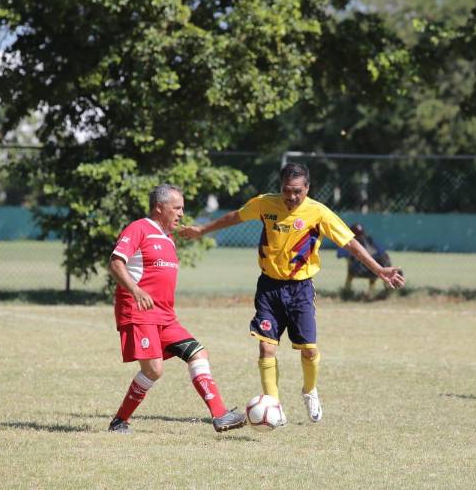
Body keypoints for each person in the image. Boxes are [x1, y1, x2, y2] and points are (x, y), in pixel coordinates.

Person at [180, 163, 405, 424]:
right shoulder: (264, 204)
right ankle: (274, 405)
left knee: (309, 350)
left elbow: (350, 243)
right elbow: (235, 216)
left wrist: (379, 269)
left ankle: (310, 391)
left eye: (298, 191)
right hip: (269, 287)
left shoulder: (319, 213)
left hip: (301, 289)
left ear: (307, 188)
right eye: (287, 190)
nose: (292, 196)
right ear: (280, 187)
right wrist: (202, 230)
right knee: (266, 347)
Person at [107, 184, 246, 434]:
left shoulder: (168, 239)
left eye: (182, 208)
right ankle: (119, 421)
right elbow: (116, 263)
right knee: (153, 370)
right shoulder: (139, 228)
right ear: (160, 208)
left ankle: (220, 415)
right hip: (139, 312)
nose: (181, 213)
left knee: (198, 354)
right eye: (177, 208)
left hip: (166, 317)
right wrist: (136, 291)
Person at [337, 223, 395, 293]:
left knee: (375, 264)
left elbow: (339, 254)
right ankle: (376, 291)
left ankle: (348, 292)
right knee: (375, 264)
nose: (360, 237)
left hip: (361, 271)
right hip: (365, 270)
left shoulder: (365, 241)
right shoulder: (365, 241)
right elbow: (382, 252)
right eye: (358, 235)